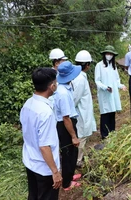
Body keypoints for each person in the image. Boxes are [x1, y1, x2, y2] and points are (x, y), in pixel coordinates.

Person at [20, 67, 62, 200]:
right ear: (52, 86)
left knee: (33, 196)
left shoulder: (28, 104)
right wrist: (55, 172)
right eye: (55, 82)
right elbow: (44, 146)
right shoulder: (45, 112)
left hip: (30, 162)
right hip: (44, 168)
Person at [53, 61, 82, 191]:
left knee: (72, 152)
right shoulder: (63, 93)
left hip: (68, 122)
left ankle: (69, 176)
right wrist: (73, 136)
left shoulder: (65, 88)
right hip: (65, 125)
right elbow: (65, 117)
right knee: (68, 153)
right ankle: (66, 183)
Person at [95, 45, 127, 139]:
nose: (109, 55)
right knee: (105, 113)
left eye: (111, 54)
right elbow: (97, 81)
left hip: (113, 93)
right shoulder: (99, 65)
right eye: (107, 53)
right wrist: (105, 87)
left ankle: (112, 132)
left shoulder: (113, 66)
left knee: (112, 112)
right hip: (104, 93)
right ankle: (104, 134)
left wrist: (121, 86)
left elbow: (116, 80)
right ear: (104, 54)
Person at [72, 50, 97, 167]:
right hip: (80, 113)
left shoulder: (79, 76)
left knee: (82, 135)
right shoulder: (80, 79)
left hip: (83, 111)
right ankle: (77, 160)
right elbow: (74, 99)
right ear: (87, 65)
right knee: (81, 136)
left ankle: (78, 158)